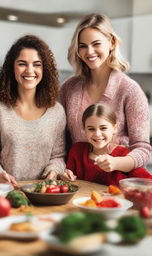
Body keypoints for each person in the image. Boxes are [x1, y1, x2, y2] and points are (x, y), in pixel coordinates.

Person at [60, 13, 151, 179]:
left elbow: (143, 149)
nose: (89, 52)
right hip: (80, 184)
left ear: (111, 43)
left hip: (117, 184)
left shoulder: (129, 90)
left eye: (96, 44)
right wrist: (63, 171)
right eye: (83, 46)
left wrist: (117, 162)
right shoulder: (68, 88)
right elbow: (59, 141)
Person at [0, 35, 66, 185]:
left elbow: (58, 157)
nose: (29, 70)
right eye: (22, 64)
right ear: (12, 67)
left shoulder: (57, 111)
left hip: (44, 193)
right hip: (8, 192)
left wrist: (53, 172)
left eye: (37, 64)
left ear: (45, 69)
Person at [62, 103, 152, 186]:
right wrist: (66, 176)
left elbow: (148, 181)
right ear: (84, 129)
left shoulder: (123, 155)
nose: (97, 134)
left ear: (114, 128)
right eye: (91, 129)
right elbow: (69, 178)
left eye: (103, 128)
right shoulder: (77, 150)